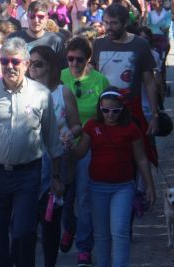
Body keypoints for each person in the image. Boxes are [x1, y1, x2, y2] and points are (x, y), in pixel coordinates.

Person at [0, 37, 65, 267]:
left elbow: (52, 139)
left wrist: (57, 177)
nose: (9, 66)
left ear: (27, 64)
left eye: (15, 61)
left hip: (28, 174)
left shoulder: (41, 94)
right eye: (5, 60)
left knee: (23, 232)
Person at [69, 89, 156, 267]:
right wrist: (69, 146)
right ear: (99, 107)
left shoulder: (131, 128)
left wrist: (150, 187)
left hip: (123, 187)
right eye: (106, 110)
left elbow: (141, 159)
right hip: (97, 187)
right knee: (101, 235)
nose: (110, 115)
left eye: (115, 111)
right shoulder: (92, 126)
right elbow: (80, 153)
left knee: (120, 231)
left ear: (123, 109)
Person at [27, 46, 81, 267]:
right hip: (27, 165)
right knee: (25, 225)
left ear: (50, 66)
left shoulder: (62, 92)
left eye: (38, 64)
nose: (32, 68)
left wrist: (70, 133)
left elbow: (77, 125)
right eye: (29, 63)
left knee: (50, 221)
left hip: (56, 164)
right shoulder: (23, 90)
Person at [59, 36, 110, 266]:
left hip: (87, 145)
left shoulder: (100, 81)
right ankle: (69, 227)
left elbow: (108, 114)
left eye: (79, 59)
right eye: (70, 59)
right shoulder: (60, 77)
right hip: (61, 144)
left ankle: (84, 247)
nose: (74, 64)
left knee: (84, 197)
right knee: (62, 196)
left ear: (88, 59)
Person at [92, 4, 160, 166]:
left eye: (114, 23)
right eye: (106, 22)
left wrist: (154, 116)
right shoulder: (98, 44)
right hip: (104, 112)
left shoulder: (140, 45)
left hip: (131, 112)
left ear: (124, 23)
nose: (108, 27)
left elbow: (150, 83)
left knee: (136, 158)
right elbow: (93, 77)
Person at [9, 1, 68, 72]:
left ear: (47, 18)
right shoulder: (13, 39)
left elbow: (63, 69)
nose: (36, 20)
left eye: (41, 17)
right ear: (27, 17)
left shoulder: (56, 40)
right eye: (32, 16)